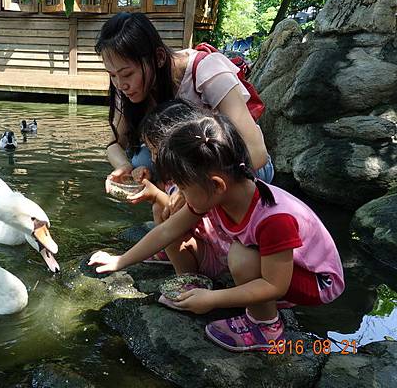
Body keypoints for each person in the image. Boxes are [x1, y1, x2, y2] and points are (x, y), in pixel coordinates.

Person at [88, 107, 345, 352]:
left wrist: (213, 300)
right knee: (193, 237)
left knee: (242, 257)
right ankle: (192, 286)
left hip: (314, 279)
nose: (180, 195)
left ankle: (265, 325)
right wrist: (120, 260)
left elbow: (274, 285)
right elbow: (167, 231)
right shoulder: (218, 194)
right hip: (274, 265)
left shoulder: (274, 219)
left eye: (183, 187)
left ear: (216, 184)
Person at [95, 12, 274, 261]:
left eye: (126, 74)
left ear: (157, 58)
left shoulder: (206, 69)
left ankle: (194, 230)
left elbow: (257, 152)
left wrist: (188, 186)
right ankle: (178, 233)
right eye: (112, 75)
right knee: (140, 162)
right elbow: (115, 144)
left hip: (240, 169)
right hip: (188, 177)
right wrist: (123, 167)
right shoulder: (125, 87)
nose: (120, 84)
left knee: (159, 171)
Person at [129, 100, 231, 277]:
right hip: (206, 248)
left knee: (161, 213)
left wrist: (154, 195)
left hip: (218, 253)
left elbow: (176, 215)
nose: (153, 158)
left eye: (156, 150)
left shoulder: (198, 184)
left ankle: (187, 279)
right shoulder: (177, 177)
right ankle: (179, 269)